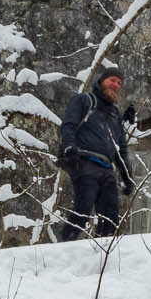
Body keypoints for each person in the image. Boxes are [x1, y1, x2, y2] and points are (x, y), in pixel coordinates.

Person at [58, 69, 135, 241]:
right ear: (101, 81)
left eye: (119, 83)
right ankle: (63, 248)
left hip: (106, 167)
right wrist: (70, 148)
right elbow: (68, 126)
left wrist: (127, 177)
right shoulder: (84, 100)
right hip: (84, 161)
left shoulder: (114, 114)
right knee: (83, 209)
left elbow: (120, 149)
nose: (115, 85)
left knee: (110, 216)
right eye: (112, 80)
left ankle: (102, 254)